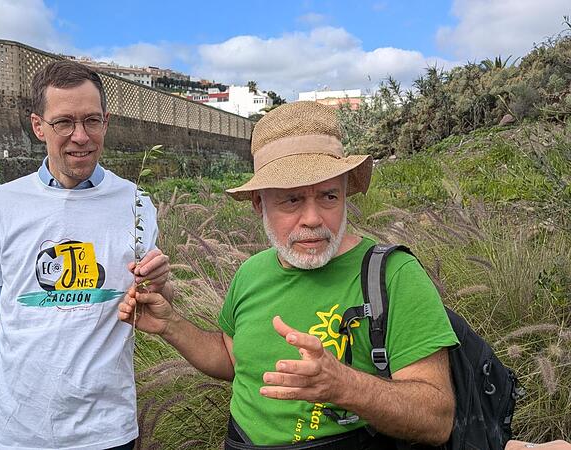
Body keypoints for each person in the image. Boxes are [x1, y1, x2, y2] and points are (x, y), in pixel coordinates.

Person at [118, 101, 459, 449]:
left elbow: (436, 419)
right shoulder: (251, 272)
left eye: (328, 196)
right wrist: (170, 324)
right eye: (291, 200)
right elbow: (235, 361)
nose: (312, 218)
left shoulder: (392, 275)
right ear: (258, 204)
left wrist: (344, 386)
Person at [0, 60, 171, 450]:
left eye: (92, 121)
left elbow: (153, 307)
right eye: (64, 122)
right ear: (38, 126)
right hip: (17, 431)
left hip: (107, 431)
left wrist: (160, 286)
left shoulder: (136, 203)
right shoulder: (1, 204)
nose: (81, 136)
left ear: (106, 123)